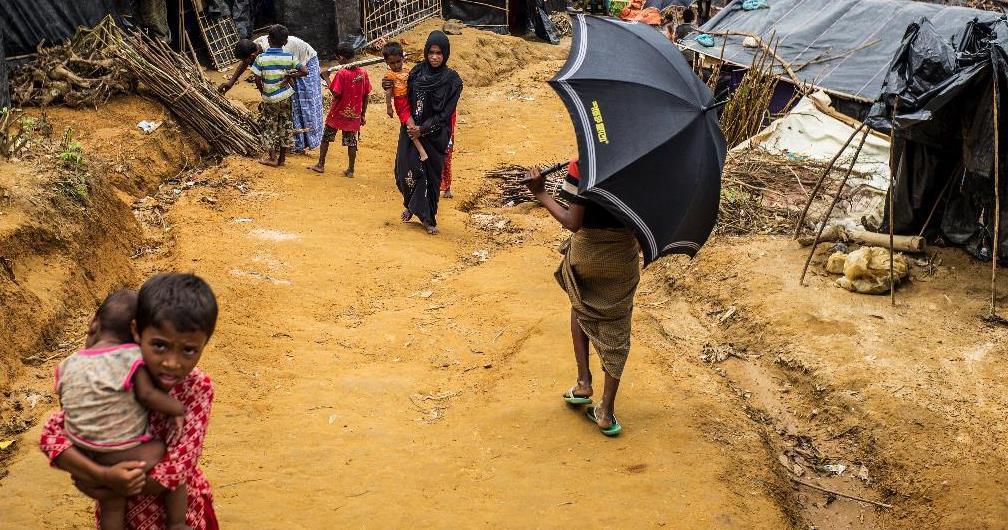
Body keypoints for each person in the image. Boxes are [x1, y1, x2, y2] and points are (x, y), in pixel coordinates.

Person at [41, 273, 220, 529]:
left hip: (184, 514)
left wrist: (104, 483)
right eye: (159, 345)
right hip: (126, 520)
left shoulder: (196, 388)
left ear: (205, 344)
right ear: (137, 332)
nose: (171, 362)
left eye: (189, 350)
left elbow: (179, 465)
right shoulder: (111, 376)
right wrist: (102, 476)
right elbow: (52, 436)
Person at [525, 160, 641, 437]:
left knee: (579, 304)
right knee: (618, 327)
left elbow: (572, 222)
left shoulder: (585, 162)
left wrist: (540, 193)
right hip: (622, 257)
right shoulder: (647, 165)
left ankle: (583, 382)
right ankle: (606, 411)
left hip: (586, 254)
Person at [54, 290, 188, 530]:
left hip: (83, 450)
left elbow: (65, 405)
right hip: (117, 451)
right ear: (137, 335)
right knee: (168, 460)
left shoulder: (67, 365)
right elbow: (147, 395)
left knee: (112, 502)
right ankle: (178, 523)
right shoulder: (130, 358)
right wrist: (176, 409)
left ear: (92, 324)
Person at [388, 31, 463, 235]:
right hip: (411, 130)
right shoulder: (416, 73)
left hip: (435, 133)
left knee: (430, 176)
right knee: (405, 169)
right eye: (431, 52)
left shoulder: (453, 80)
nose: (435, 57)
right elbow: (402, 95)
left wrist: (424, 128)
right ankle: (412, 204)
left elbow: (446, 113)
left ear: (445, 54)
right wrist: (388, 85)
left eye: (439, 53)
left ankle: (428, 217)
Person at [219, 27, 324, 153]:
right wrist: (230, 83)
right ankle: (295, 144)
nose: (245, 62)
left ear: (252, 55)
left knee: (305, 101)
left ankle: (309, 140)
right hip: (294, 68)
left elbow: (290, 76)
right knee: (290, 105)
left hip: (306, 60)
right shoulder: (256, 46)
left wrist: (268, 94)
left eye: (246, 59)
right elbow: (246, 63)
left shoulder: (280, 51)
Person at [309, 43, 371, 177]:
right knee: (351, 141)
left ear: (341, 57)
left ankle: (320, 164)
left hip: (337, 113)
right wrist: (363, 114)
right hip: (354, 114)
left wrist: (326, 77)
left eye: (338, 58)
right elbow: (366, 95)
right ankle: (351, 169)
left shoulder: (342, 73)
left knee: (326, 137)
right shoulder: (363, 72)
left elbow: (336, 93)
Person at [249, 26, 308, 167]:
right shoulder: (290, 57)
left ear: (268, 40)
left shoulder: (261, 58)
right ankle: (282, 159)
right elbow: (305, 71)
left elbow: (256, 78)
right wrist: (290, 75)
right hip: (286, 96)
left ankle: (272, 158)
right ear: (286, 42)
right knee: (285, 125)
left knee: (268, 126)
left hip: (270, 99)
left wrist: (263, 91)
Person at [382, 42, 427, 162]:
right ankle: (422, 152)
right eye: (392, 63)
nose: (396, 65)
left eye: (398, 61)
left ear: (402, 58)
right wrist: (389, 108)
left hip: (411, 100)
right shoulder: (389, 75)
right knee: (411, 126)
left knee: (414, 124)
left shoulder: (408, 71)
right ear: (387, 62)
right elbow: (388, 92)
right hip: (401, 103)